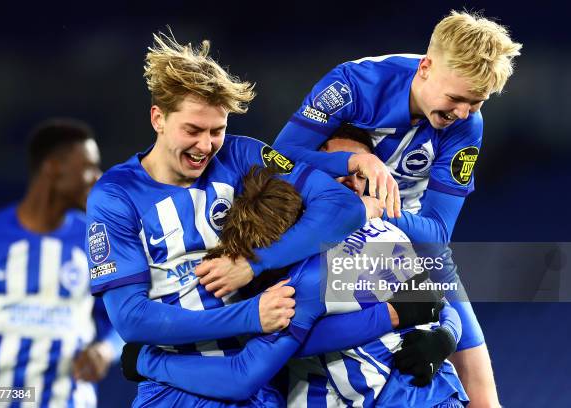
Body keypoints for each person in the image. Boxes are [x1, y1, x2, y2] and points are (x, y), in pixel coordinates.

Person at [86, 33, 368, 407]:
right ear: (158, 118)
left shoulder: (242, 154)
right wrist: (249, 315)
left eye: (216, 131)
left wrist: (254, 263)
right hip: (175, 390)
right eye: (192, 130)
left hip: (258, 389)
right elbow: (132, 319)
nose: (205, 145)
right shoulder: (115, 195)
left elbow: (344, 206)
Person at [272, 11, 522, 406]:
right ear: (425, 68)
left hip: (406, 239)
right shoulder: (351, 85)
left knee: (484, 397)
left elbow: (438, 232)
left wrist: (372, 210)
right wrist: (354, 164)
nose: (462, 113)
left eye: (476, 104)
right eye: (456, 99)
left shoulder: (468, 127)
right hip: (321, 235)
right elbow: (277, 160)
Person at [121, 126, 466, 407]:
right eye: (341, 167)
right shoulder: (374, 232)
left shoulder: (310, 272)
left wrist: (146, 361)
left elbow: (245, 371)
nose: (350, 182)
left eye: (360, 172)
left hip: (404, 395)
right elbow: (425, 300)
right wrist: (408, 316)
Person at [0, 119, 122, 407]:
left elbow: (125, 320)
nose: (99, 177)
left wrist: (105, 351)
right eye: (89, 166)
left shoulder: (97, 241)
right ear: (53, 168)